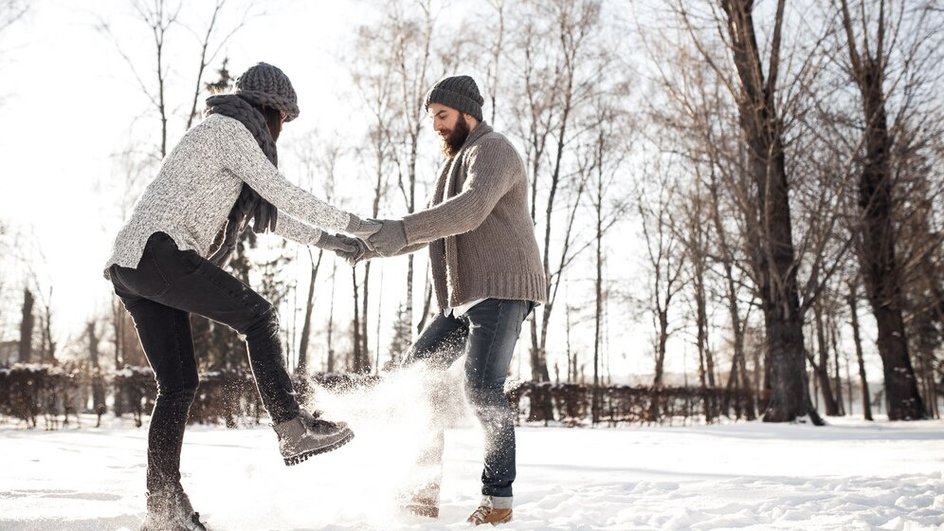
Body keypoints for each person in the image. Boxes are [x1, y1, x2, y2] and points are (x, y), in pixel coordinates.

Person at [103, 62, 379, 531]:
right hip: (159, 252)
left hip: (133, 266)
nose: (282, 132)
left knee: (178, 386)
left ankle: (163, 509)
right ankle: (291, 428)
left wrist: (336, 244)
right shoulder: (229, 129)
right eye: (284, 121)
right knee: (259, 316)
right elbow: (281, 192)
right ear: (270, 109)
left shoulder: (227, 137)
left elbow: (272, 216)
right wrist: (359, 225)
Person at [342, 75, 546, 526]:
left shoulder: (493, 150)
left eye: (442, 115)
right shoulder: (457, 161)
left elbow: (469, 211)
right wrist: (373, 243)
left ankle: (498, 502)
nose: (436, 124)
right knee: (418, 378)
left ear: (467, 113)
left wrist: (399, 228)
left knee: (482, 387)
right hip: (465, 297)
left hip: (503, 288)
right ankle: (421, 492)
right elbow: (438, 225)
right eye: (432, 116)